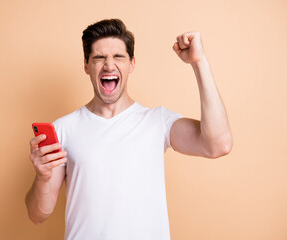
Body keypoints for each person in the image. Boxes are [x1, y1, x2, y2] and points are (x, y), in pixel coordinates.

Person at [25, 19, 232, 240]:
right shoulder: (63, 129)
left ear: (132, 64)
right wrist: (42, 178)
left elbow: (218, 145)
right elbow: (38, 215)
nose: (109, 65)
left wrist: (199, 62)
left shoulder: (157, 122)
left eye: (118, 57)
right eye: (99, 57)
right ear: (86, 66)